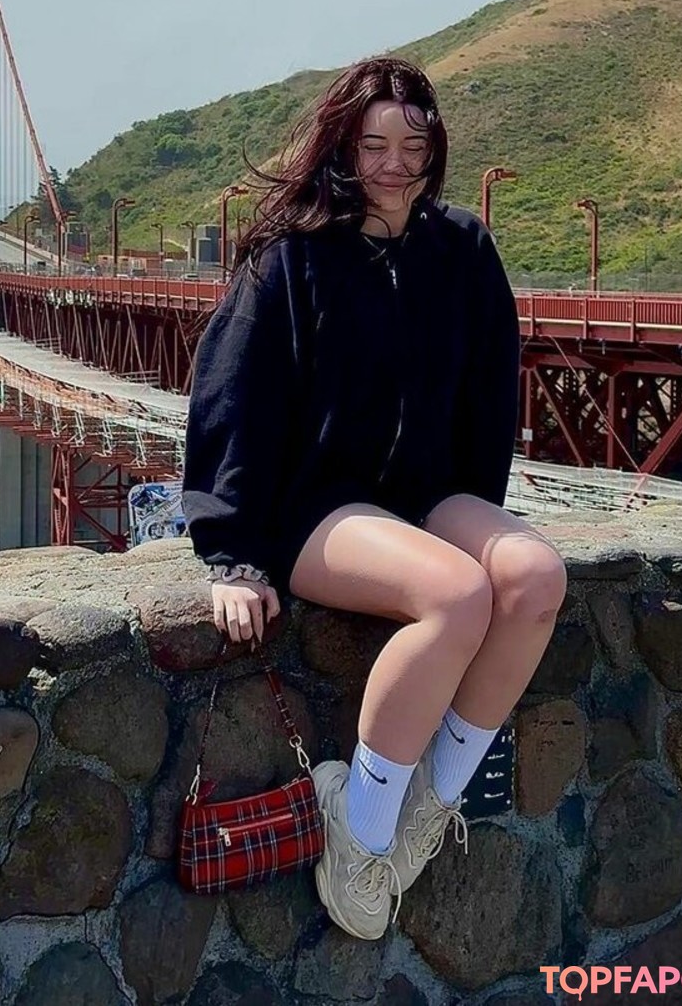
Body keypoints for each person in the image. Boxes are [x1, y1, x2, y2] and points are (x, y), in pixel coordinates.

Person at [181, 56, 566, 941]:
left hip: (428, 495)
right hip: (319, 507)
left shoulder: (463, 250)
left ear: (436, 150)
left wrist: (477, 512)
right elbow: (232, 400)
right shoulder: (293, 257)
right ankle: (359, 826)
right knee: (458, 595)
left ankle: (430, 803)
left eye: (413, 145)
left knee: (534, 577)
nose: (396, 163)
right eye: (374, 144)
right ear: (343, 150)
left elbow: (489, 396)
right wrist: (233, 556)